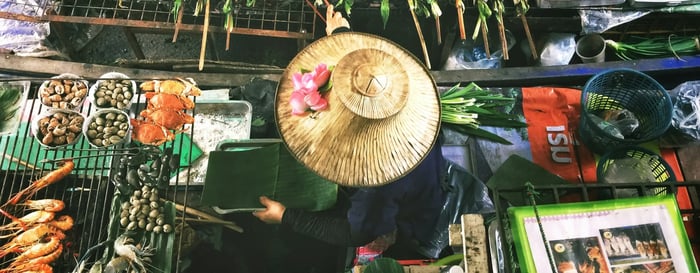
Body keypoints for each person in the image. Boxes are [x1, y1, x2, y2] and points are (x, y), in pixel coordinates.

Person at [253, 4, 448, 266]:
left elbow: (353, 233)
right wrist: (341, 34)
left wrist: (286, 216)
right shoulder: (404, 91)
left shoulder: (376, 179)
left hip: (411, 214)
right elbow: (366, 82)